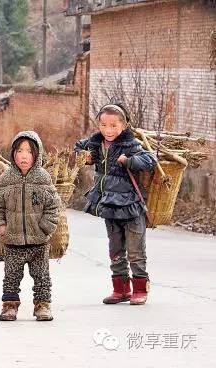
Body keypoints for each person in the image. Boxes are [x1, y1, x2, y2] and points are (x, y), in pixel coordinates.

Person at [75, 102, 157, 305]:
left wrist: (129, 161)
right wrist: (85, 156)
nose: (108, 130)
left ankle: (140, 289)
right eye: (103, 125)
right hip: (109, 205)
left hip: (130, 206)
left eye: (113, 125)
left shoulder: (131, 145)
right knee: (115, 249)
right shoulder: (96, 143)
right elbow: (78, 146)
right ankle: (120, 290)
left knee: (135, 251)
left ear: (124, 125)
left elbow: (150, 160)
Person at [0, 131, 60, 321]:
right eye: (19, 151)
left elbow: (54, 206)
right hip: (12, 241)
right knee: (11, 277)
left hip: (39, 242)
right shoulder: (6, 179)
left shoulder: (43, 178)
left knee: (42, 276)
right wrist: (0, 226)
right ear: (13, 154)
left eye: (29, 151)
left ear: (37, 155)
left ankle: (42, 305)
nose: (24, 155)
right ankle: (10, 306)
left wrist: (45, 227)